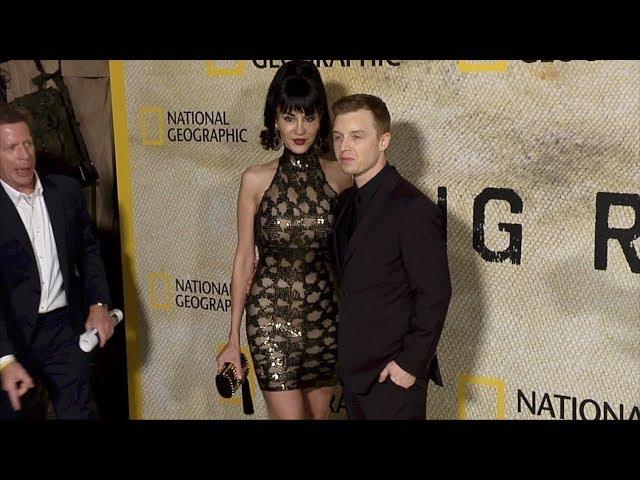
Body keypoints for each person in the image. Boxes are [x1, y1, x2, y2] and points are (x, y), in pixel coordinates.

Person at [217, 60, 352, 419]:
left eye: (309, 117)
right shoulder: (255, 180)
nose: (300, 128)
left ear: (321, 118)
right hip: (269, 322)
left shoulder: (343, 178)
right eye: (290, 117)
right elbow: (245, 258)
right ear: (275, 118)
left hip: (326, 321)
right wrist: (233, 339)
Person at [331, 94, 452, 420]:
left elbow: (436, 293)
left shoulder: (412, 208)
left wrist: (409, 365)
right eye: (339, 136)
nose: (345, 146)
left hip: (393, 377)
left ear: (384, 140)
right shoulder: (344, 204)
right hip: (354, 375)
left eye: (358, 137)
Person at [0, 103, 114, 419]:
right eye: (11, 147)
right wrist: (5, 359)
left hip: (64, 329)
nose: (24, 155)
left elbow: (89, 251)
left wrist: (98, 304)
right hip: (12, 335)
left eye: (27, 144)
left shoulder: (65, 191)